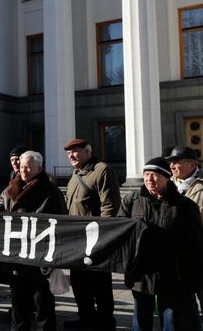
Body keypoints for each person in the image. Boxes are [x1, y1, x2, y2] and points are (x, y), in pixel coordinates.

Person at [118, 157, 203, 331]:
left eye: (155, 175)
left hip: (172, 276)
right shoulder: (132, 200)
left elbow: (196, 245)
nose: (149, 179)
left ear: (167, 177)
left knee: (171, 322)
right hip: (140, 276)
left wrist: (195, 278)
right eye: (146, 174)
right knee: (140, 323)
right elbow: (120, 233)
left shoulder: (185, 206)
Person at [0, 150, 67, 331]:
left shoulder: (50, 191)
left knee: (41, 300)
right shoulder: (12, 187)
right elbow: (5, 202)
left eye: (28, 168)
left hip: (38, 255)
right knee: (18, 300)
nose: (23, 171)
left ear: (39, 168)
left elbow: (61, 219)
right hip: (16, 254)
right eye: (22, 167)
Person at [63, 139, 120, 330]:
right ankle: (85, 318)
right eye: (68, 153)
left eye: (75, 152)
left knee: (100, 285)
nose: (71, 156)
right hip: (76, 241)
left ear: (88, 151)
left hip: (96, 240)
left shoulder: (101, 170)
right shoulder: (75, 174)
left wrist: (104, 238)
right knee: (79, 283)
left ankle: (105, 322)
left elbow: (109, 206)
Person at [165, 146, 203, 316]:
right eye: (171, 163)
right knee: (185, 305)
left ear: (192, 165)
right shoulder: (167, 185)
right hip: (178, 255)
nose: (172, 166)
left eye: (176, 162)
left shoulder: (200, 186)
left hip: (200, 252)